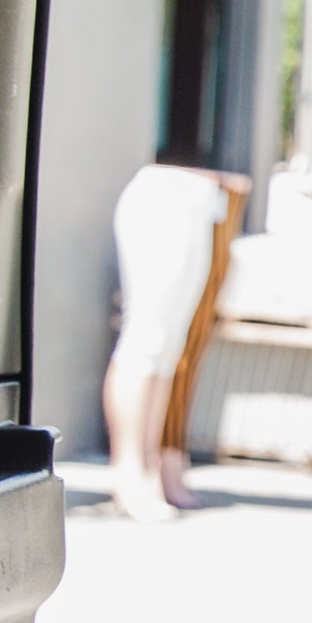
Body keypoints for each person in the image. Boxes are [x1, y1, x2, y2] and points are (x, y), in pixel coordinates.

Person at [102, 160, 234, 521]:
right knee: (147, 337)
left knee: (168, 347)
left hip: (204, 198)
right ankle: (127, 473)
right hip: (165, 193)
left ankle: (148, 467)